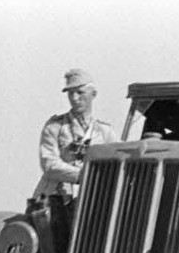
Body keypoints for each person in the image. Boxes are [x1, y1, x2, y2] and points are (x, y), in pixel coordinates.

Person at [34, 69, 118, 198]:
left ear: (93, 94)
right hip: (56, 198)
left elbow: (119, 162)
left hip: (92, 197)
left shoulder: (106, 132)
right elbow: (49, 164)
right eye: (70, 93)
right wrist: (83, 175)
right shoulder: (54, 127)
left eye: (80, 92)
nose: (74, 98)